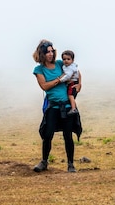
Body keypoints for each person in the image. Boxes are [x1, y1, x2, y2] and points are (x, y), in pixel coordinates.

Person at [32, 39, 82, 173]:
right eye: (47, 52)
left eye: (52, 51)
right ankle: (44, 162)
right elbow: (44, 86)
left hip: (66, 105)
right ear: (42, 54)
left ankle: (71, 164)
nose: (50, 54)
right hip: (53, 107)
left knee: (68, 135)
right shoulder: (39, 69)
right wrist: (60, 79)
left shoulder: (61, 63)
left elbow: (76, 72)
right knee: (47, 134)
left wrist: (79, 84)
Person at [61, 50, 80, 115]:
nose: (66, 61)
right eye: (64, 59)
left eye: (68, 59)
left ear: (72, 60)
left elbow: (68, 76)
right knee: (71, 95)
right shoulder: (69, 66)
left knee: (70, 95)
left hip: (72, 83)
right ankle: (73, 107)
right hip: (73, 82)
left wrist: (61, 80)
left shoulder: (70, 68)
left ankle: (73, 109)